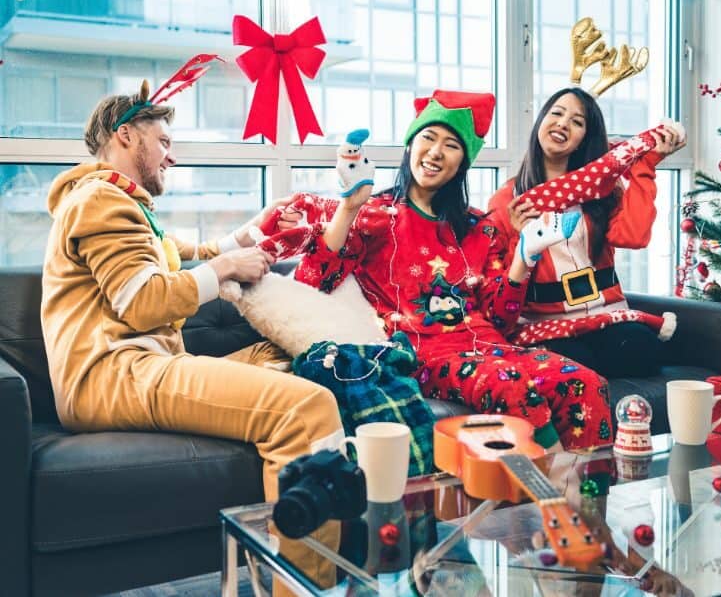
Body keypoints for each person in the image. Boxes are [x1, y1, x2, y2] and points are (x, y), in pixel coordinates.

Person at [40, 80, 344, 588]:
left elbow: (182, 255)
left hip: (138, 366)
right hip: (115, 372)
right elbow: (140, 301)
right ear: (125, 136)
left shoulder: (121, 205)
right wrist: (227, 265)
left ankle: (273, 542)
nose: (171, 156)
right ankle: (302, 586)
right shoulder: (99, 200)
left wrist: (250, 234)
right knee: (306, 409)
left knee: (285, 355)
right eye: (163, 141)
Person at [259, 90, 627, 452]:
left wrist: (525, 257)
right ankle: (551, 496)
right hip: (424, 354)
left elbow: (501, 319)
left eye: (451, 145)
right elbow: (312, 281)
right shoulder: (376, 217)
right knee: (507, 383)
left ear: (462, 162)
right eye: (428, 138)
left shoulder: (480, 227)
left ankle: (592, 499)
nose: (436, 151)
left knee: (587, 382)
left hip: (492, 347)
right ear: (410, 146)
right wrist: (349, 206)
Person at [488, 87, 686, 378]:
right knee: (572, 366)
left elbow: (633, 236)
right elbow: (503, 284)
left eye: (577, 122)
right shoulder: (508, 199)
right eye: (556, 113)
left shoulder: (604, 191)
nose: (563, 123)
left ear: (585, 139)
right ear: (540, 122)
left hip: (607, 315)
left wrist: (645, 166)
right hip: (545, 323)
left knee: (642, 350)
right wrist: (522, 238)